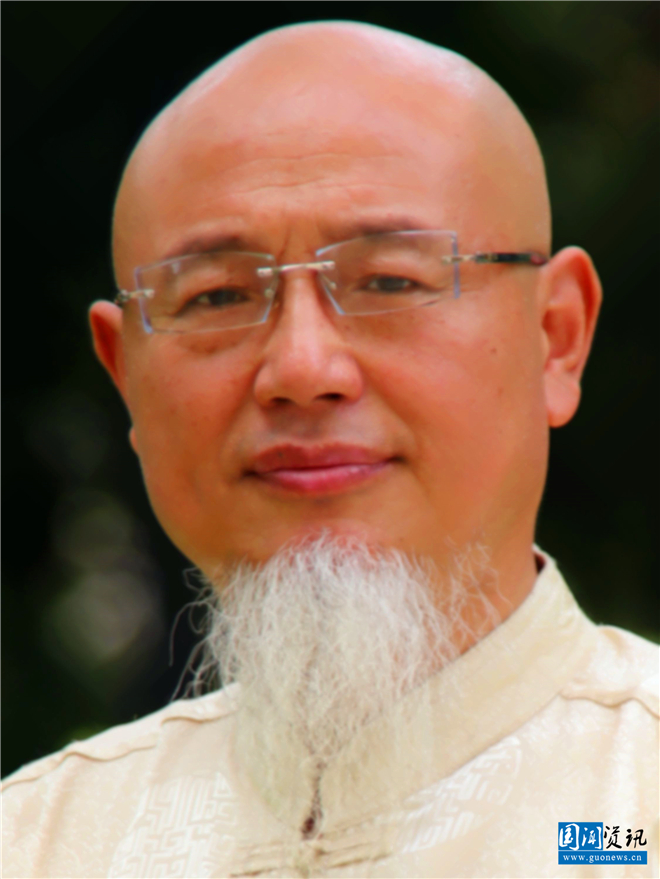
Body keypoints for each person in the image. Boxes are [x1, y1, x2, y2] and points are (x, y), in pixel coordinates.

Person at [2, 20, 657, 879]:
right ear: (126, 378)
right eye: (217, 296)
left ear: (555, 337)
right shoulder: (42, 842)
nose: (303, 369)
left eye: (389, 281)